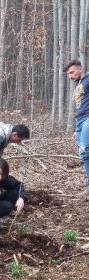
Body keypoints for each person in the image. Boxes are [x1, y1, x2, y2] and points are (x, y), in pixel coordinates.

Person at [64, 59, 89, 199]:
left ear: (80, 69)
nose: (70, 76)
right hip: (80, 122)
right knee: (84, 155)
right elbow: (81, 106)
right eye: (68, 74)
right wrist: (76, 129)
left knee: (86, 151)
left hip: (87, 120)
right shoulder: (79, 84)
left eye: (72, 72)